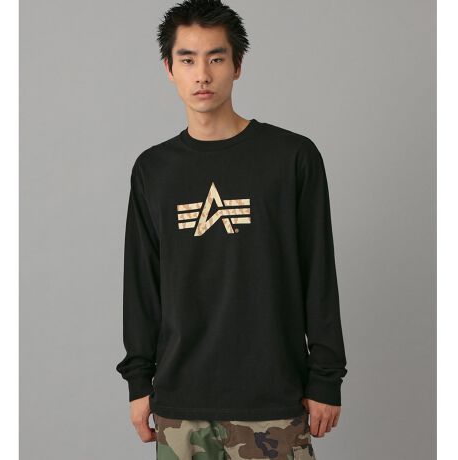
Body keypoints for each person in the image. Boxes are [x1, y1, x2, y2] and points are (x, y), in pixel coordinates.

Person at [115, 1, 348, 458]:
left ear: (237, 66)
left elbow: (319, 272)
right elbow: (141, 284)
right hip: (180, 405)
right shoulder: (153, 170)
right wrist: (139, 383)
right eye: (187, 60)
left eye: (216, 58)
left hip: (274, 399)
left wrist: (325, 377)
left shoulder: (292, 158)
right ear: (169, 69)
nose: (202, 74)